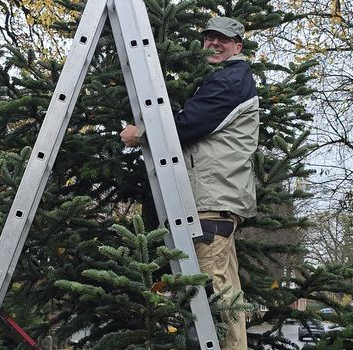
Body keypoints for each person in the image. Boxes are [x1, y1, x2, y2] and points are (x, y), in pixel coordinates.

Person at [120, 16, 258, 350]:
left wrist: (138, 134)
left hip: (212, 201)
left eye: (221, 39)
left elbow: (186, 125)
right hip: (216, 200)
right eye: (208, 38)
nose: (212, 44)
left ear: (238, 45)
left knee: (210, 293)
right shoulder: (228, 79)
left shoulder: (231, 80)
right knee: (228, 295)